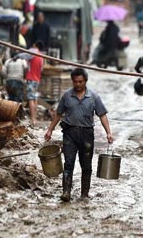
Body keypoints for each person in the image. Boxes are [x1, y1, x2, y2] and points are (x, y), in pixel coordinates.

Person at [44, 68, 113, 202]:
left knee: (86, 165)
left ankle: (84, 194)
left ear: (85, 81)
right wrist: (50, 130)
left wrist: (108, 132)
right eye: (75, 82)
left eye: (80, 82)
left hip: (87, 134)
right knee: (68, 163)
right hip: (69, 133)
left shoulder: (93, 97)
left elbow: (102, 115)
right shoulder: (66, 96)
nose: (78, 84)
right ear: (72, 81)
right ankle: (66, 192)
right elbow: (58, 114)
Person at [23, 41, 44, 127]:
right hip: (37, 79)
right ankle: (34, 118)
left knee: (31, 99)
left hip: (31, 78)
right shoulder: (41, 56)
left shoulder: (32, 54)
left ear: (35, 46)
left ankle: (33, 120)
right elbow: (41, 69)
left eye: (33, 45)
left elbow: (26, 65)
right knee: (35, 99)